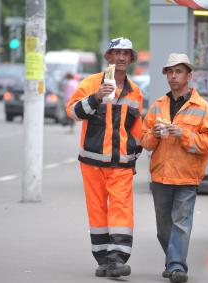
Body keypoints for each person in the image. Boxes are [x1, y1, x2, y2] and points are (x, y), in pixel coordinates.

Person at [66, 37, 143, 278]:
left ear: (131, 59)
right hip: (92, 163)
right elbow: (73, 112)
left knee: (121, 209)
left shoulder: (135, 92)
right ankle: (103, 260)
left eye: (126, 53)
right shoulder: (90, 84)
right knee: (98, 212)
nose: (120, 57)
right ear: (108, 57)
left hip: (121, 164)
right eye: (116, 53)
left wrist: (135, 156)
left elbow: (136, 129)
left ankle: (117, 258)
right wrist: (97, 97)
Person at [141, 53, 208, 283]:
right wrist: (153, 135)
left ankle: (177, 267)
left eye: (179, 72)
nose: (174, 76)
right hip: (161, 176)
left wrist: (184, 134)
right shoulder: (157, 106)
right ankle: (172, 260)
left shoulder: (202, 107)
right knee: (163, 227)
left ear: (189, 75)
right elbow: (144, 140)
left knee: (181, 224)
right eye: (170, 72)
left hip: (187, 176)